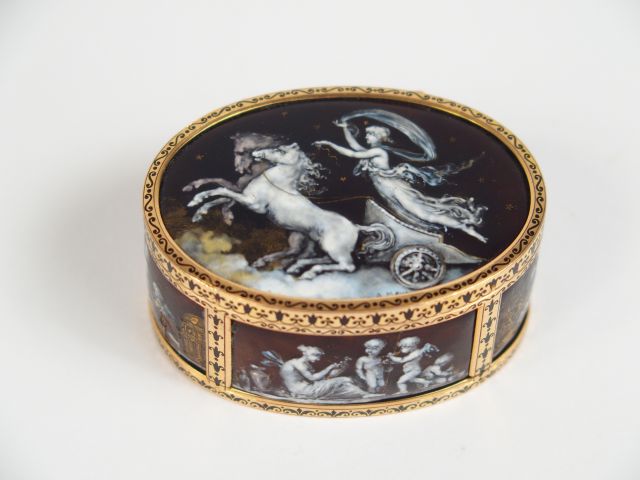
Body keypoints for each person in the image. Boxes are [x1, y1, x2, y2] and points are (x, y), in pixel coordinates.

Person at [313, 120, 488, 242]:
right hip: (388, 189)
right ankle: (463, 226)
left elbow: (353, 153)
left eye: (369, 135)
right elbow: (355, 147)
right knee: (420, 212)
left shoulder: (379, 152)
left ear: (378, 137)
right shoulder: (373, 152)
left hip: (395, 188)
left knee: (424, 214)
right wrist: (344, 128)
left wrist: (330, 144)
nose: (366, 138)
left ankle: (465, 228)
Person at [279, 345, 372, 401]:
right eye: (317, 356)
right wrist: (329, 367)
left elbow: (321, 379)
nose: (318, 359)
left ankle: (364, 394)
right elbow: (313, 378)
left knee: (344, 386)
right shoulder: (298, 363)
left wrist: (337, 371)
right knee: (345, 379)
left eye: (319, 357)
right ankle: (366, 395)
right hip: (303, 390)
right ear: (307, 354)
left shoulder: (304, 364)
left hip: (307, 388)